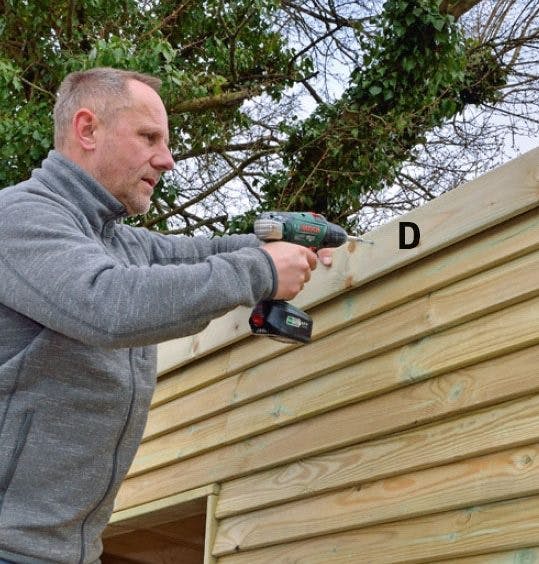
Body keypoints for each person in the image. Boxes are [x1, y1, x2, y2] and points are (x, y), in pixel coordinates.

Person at [0, 67, 332, 563]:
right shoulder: (19, 216)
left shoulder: (121, 244)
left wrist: (284, 243)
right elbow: (107, 304)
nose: (167, 159)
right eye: (149, 137)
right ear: (87, 129)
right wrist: (262, 269)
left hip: (67, 553)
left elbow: (201, 254)